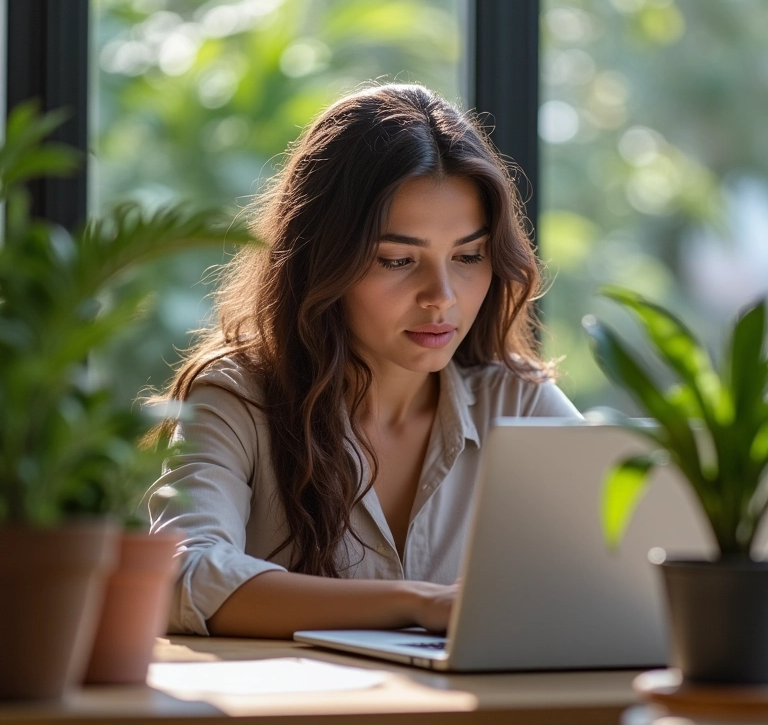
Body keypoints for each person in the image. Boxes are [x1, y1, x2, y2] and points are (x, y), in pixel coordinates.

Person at [144, 83, 580, 640]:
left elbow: (620, 573)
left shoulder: (517, 403)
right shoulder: (238, 397)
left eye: (468, 256)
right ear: (323, 261)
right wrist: (418, 603)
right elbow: (183, 572)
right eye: (399, 259)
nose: (441, 296)